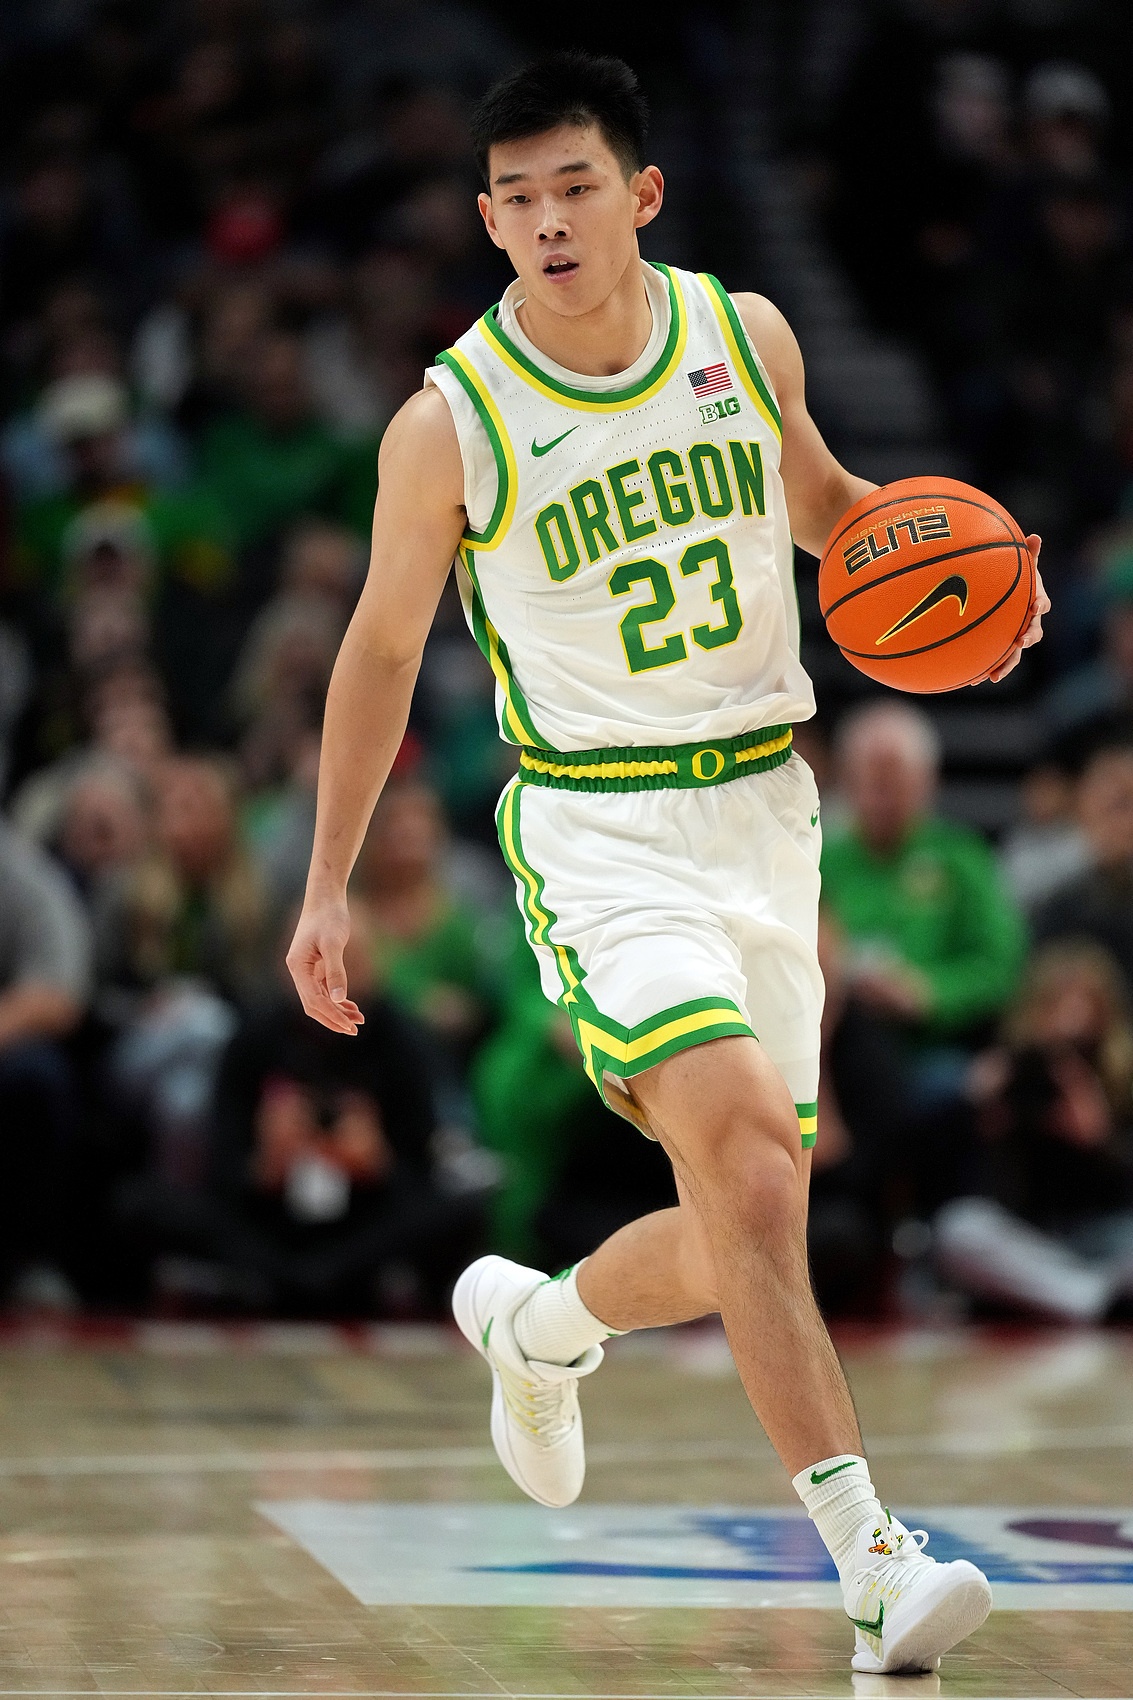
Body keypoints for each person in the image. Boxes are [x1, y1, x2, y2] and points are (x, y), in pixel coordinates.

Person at [286, 54, 1048, 1676]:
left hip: (765, 815)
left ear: (639, 193)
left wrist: (964, 598)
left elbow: (831, 510)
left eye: (575, 186)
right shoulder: (451, 423)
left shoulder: (741, 335)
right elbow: (378, 650)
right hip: (601, 829)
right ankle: (873, 1564)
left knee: (736, 1233)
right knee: (750, 1174)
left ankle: (539, 1322)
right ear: (488, 221)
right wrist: (325, 879)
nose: (548, 221)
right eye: (517, 199)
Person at [821, 700, 1027, 1106]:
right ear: (846, 782)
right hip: (834, 1043)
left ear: (927, 782)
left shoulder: (962, 858)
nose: (880, 799)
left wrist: (926, 992)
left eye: (893, 784)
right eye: (870, 783)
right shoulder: (820, 859)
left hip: (931, 1051)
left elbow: (1003, 965)